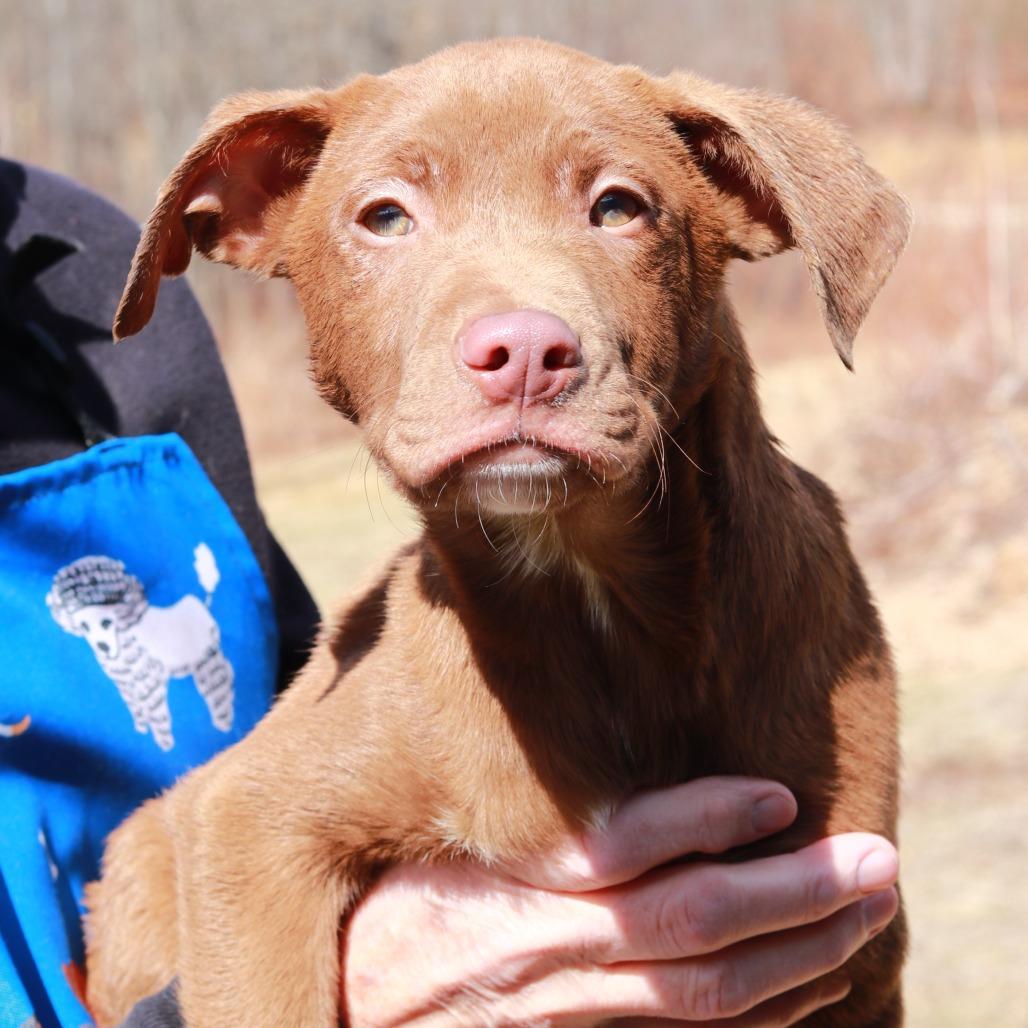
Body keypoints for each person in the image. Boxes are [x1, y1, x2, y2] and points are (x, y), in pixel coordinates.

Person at [0, 158, 898, 1027]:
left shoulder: (69, 261)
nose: (518, 338)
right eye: (386, 217)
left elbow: (277, 700)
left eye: (616, 205)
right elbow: (249, 824)